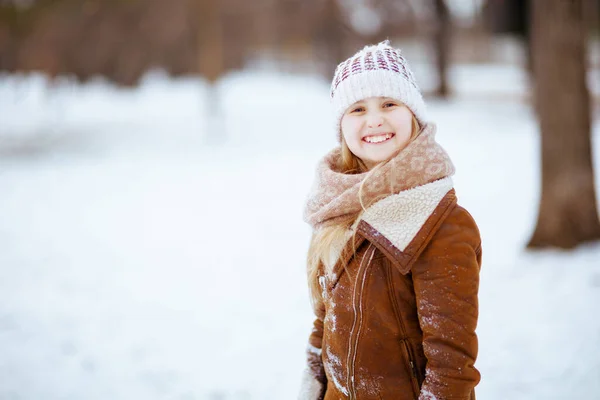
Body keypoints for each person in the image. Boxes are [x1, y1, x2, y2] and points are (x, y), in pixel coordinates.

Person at [298, 40, 482, 400]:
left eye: (389, 103)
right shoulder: (338, 206)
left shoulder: (441, 223)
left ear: (412, 113)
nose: (374, 119)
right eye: (357, 109)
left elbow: (451, 366)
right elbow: (327, 321)